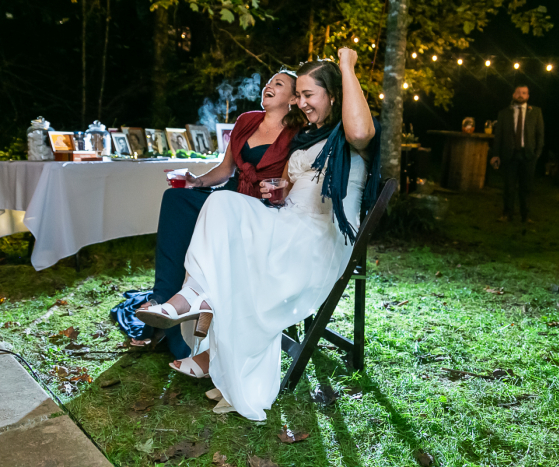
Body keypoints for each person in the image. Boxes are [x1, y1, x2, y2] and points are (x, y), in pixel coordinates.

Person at [136, 48, 382, 421]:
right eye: (297, 95)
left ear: (333, 95)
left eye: (308, 95)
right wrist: (280, 190)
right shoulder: (308, 137)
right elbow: (291, 186)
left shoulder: (348, 139)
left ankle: (203, 320)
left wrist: (347, 66)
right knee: (220, 205)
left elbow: (361, 130)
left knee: (231, 237)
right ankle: (194, 296)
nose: (301, 103)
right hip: (285, 221)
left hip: (317, 241)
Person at [124, 71, 304, 355]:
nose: (269, 86)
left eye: (278, 84)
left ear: (294, 98)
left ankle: (187, 310)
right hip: (226, 196)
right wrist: (197, 181)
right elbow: (225, 170)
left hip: (258, 209)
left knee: (207, 212)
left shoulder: (297, 133)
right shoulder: (246, 120)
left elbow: (289, 182)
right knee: (176, 199)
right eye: (269, 82)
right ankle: (163, 298)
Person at [490, 84, 545, 223]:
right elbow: (498, 136)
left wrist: (537, 153)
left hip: (528, 156)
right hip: (510, 155)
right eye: (518, 92)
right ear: (513, 95)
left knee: (526, 188)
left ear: (528, 96)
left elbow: (540, 134)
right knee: (509, 187)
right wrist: (495, 154)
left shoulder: (536, 112)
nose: (521, 95)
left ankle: (525, 216)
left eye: (524, 93)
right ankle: (507, 214)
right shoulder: (504, 113)